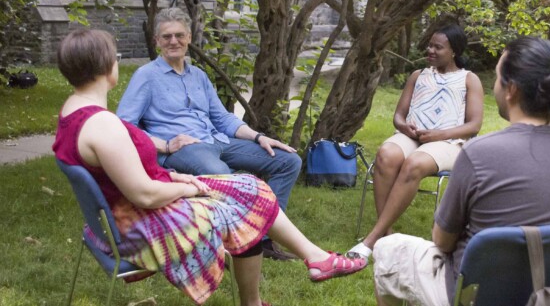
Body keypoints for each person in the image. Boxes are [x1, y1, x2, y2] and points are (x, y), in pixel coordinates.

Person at [53, 29, 366, 306]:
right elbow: (145, 195)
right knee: (245, 211)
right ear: (108, 67)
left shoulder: (73, 112)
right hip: (138, 226)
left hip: (122, 214)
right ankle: (287, 278)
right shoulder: (102, 124)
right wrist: (188, 187)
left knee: (249, 187)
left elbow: (123, 173)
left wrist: (174, 175)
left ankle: (315, 258)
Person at [372, 37, 550, 306]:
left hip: (478, 296)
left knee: (388, 249)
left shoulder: (480, 153)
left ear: (512, 90)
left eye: (496, 78)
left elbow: (442, 240)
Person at [116, 7, 301, 260]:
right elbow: (124, 126)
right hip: (183, 149)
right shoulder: (146, 76)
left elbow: (221, 117)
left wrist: (258, 137)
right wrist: (166, 146)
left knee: (287, 161)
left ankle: (264, 239)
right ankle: (233, 245)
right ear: (156, 41)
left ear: (189, 38)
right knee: (225, 177)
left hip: (217, 141)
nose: (174, 41)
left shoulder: (198, 76)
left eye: (179, 35)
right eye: (167, 36)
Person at [347, 24, 484, 261]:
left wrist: (438, 135)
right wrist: (404, 126)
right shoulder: (418, 75)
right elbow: (399, 115)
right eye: (429, 45)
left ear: (454, 51)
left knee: (414, 163)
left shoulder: (469, 79)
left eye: (437, 47)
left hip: (448, 142)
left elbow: (474, 126)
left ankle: (372, 240)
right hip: (412, 136)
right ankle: (387, 235)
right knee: (386, 154)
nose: (430, 50)